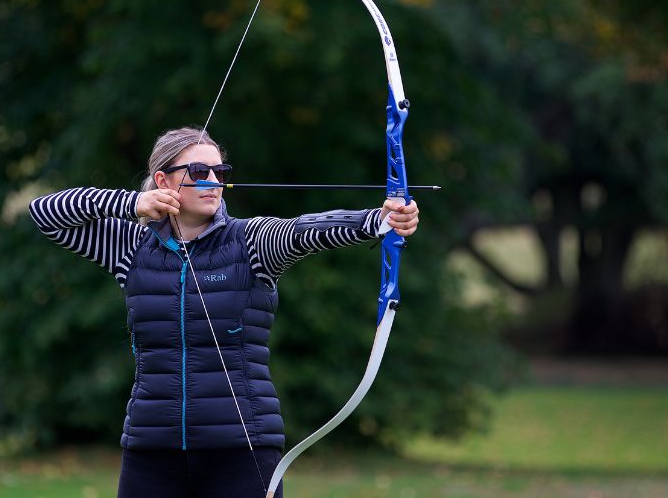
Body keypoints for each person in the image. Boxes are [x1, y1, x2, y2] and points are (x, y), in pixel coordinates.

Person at [29, 126, 419, 498]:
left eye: (220, 171)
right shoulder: (131, 246)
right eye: (199, 171)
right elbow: (45, 211)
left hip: (242, 449)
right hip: (152, 447)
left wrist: (379, 221)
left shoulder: (251, 242)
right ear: (163, 182)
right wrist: (131, 203)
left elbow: (306, 230)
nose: (214, 180)